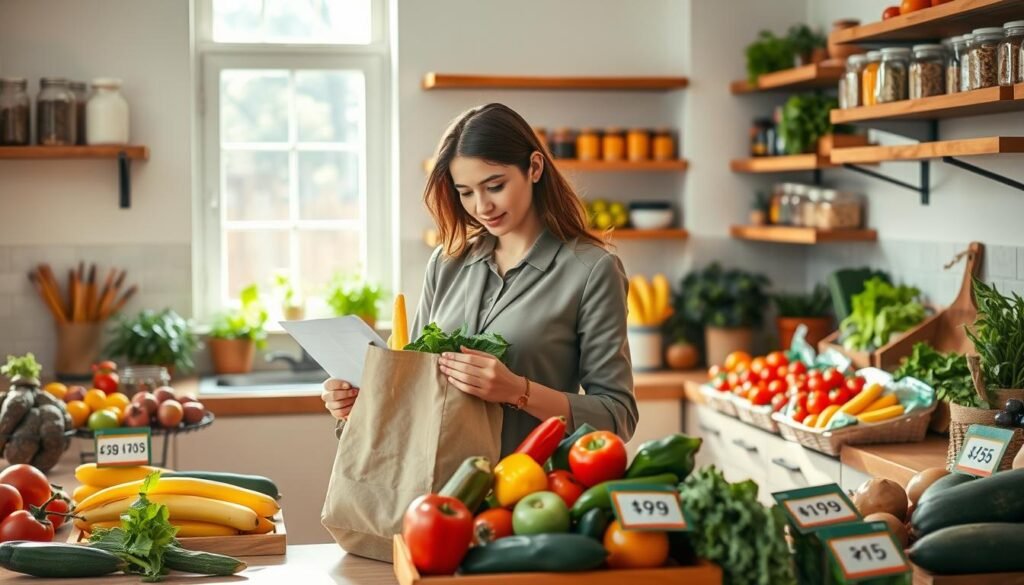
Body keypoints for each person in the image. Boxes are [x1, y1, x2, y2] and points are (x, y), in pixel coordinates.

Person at [321, 102, 637, 455]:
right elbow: (419, 392)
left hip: (529, 492)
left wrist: (518, 391)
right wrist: (361, 404)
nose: (481, 206)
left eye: (495, 185)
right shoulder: (447, 262)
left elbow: (617, 416)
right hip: (437, 491)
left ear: (534, 167)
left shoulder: (592, 270)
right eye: (466, 192)